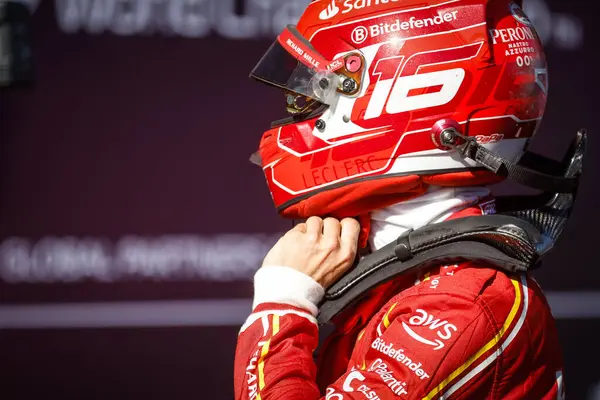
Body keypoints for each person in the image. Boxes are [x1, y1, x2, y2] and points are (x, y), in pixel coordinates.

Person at [234, 0, 573, 398]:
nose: (299, 112)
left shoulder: (464, 304)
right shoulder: (414, 270)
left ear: (415, 95)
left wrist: (282, 304)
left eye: (315, 95)